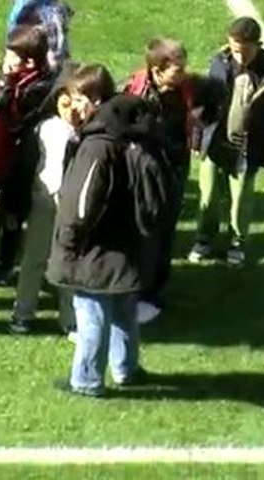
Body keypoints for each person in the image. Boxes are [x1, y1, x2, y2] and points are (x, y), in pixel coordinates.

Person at [47, 85, 167, 397]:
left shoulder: (99, 147)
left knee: (91, 313)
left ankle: (86, 380)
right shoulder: (144, 144)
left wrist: (70, 243)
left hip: (97, 248)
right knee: (125, 312)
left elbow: (81, 205)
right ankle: (126, 369)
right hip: (132, 245)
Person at [8, 62, 101, 335]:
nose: (72, 112)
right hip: (45, 201)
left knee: (70, 262)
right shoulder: (44, 129)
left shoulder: (89, 134)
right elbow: (25, 169)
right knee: (34, 259)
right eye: (65, 104)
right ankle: (23, 312)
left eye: (76, 104)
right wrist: (15, 205)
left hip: (73, 206)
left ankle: (70, 318)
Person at [189, 17, 264, 266]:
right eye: (235, 49)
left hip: (246, 146)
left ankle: (237, 242)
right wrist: (198, 136)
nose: (240, 56)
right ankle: (204, 239)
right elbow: (205, 103)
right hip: (215, 141)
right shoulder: (219, 62)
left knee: (240, 200)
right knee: (208, 196)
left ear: (258, 44)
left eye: (245, 50)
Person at [121, 38, 206, 323]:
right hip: (144, 172)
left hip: (175, 168)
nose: (182, 73)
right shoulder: (135, 92)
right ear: (157, 70)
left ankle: (155, 286)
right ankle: (138, 286)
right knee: (145, 228)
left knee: (166, 227)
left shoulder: (187, 89)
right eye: (176, 69)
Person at [0, 25, 58, 286]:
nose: (6, 61)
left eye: (12, 56)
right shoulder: (12, 77)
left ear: (29, 61)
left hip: (18, 162)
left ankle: (5, 265)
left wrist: (5, 92)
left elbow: (18, 123)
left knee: (12, 214)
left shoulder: (39, 88)